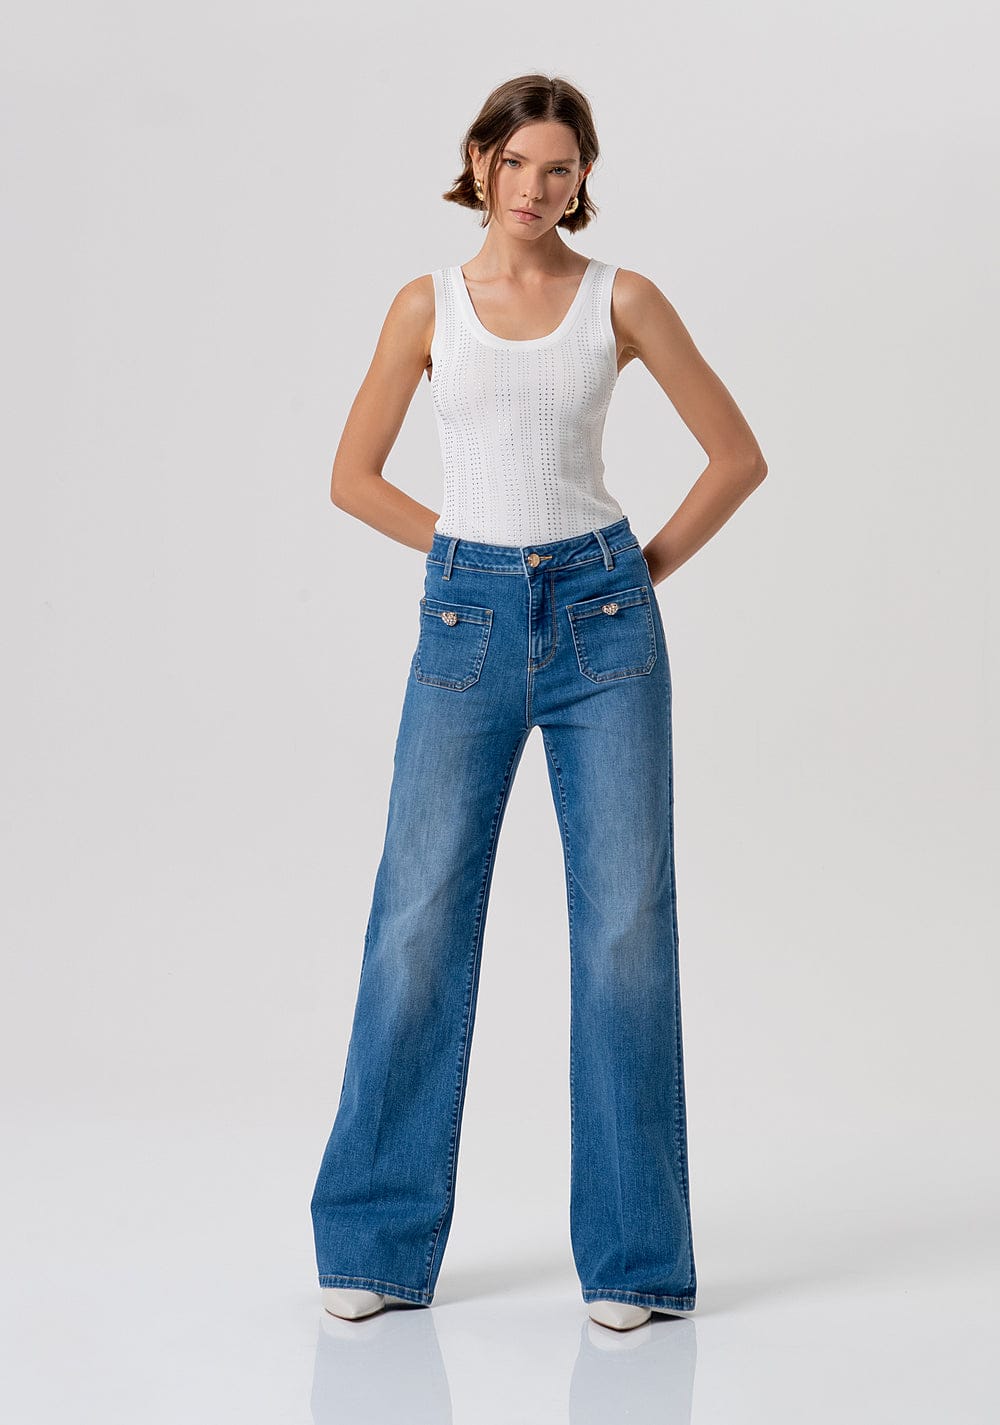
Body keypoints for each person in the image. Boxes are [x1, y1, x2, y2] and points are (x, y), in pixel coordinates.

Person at [310, 72, 767, 1333]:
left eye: (559, 168)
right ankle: (375, 1239)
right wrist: (468, 558)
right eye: (515, 163)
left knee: (623, 928)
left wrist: (629, 576)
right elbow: (352, 477)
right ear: (479, 161)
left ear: (582, 179)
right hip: (465, 621)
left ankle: (633, 1259)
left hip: (601, 622)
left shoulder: (623, 298)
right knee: (415, 918)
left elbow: (737, 457)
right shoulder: (428, 304)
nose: (534, 188)